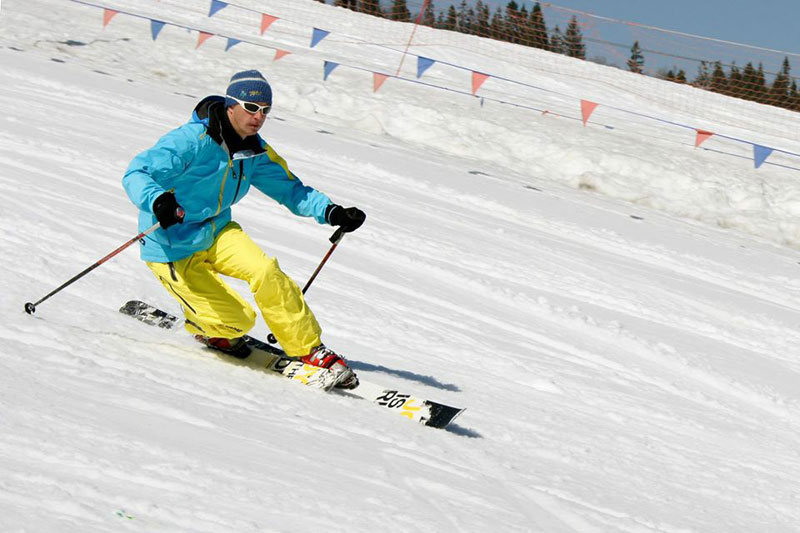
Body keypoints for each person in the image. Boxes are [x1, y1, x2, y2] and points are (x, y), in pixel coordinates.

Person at [122, 70, 365, 389]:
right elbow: (136, 173)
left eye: (265, 110)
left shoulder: (255, 151)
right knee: (237, 322)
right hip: (170, 244)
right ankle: (207, 326)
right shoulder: (190, 141)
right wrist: (158, 202)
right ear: (230, 106)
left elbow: (290, 190)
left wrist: (330, 211)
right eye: (252, 108)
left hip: (217, 231)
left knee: (265, 271)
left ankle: (309, 350)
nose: (259, 117)